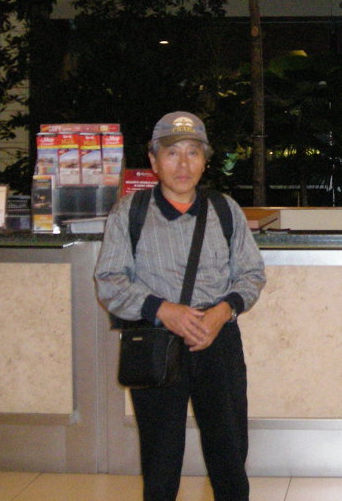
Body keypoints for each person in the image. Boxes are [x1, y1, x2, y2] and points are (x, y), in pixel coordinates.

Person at [94, 111, 265, 501]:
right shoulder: (130, 212)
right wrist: (163, 310)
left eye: (193, 153)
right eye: (172, 153)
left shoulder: (226, 210)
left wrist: (222, 312)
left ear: (205, 161)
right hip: (157, 343)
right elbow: (110, 280)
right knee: (160, 458)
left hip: (217, 341)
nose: (183, 164)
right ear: (153, 161)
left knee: (229, 453)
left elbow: (251, 274)